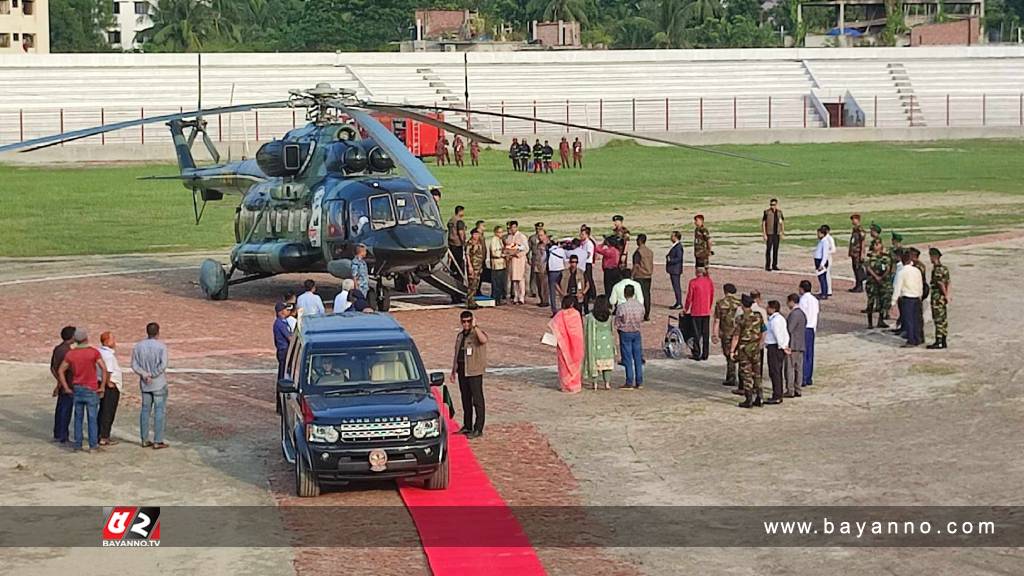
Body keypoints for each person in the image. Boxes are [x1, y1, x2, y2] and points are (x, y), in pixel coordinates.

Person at [57, 329, 108, 452]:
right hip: (91, 388)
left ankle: (78, 444)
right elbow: (104, 369)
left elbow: (60, 370)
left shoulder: (71, 354)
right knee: (92, 418)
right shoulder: (93, 353)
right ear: (86, 338)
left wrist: (66, 387)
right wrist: (102, 386)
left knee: (78, 417)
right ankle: (92, 445)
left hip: (77, 388)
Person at [451, 311, 488, 439]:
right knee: (465, 399)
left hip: (474, 371)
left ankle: (478, 428)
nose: (466, 324)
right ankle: (467, 425)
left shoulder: (476, 334)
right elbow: (457, 354)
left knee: (477, 400)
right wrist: (453, 370)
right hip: (462, 370)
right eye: (464, 321)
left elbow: (483, 340)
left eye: (468, 321)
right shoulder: (460, 336)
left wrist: (476, 326)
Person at [132, 322, 169, 449]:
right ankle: (158, 440)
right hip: (158, 382)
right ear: (158, 332)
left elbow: (134, 365)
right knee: (159, 411)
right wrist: (152, 374)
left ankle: (144, 439)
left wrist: (144, 374)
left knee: (145, 411)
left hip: (145, 384)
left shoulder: (138, 346)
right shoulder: (161, 347)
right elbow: (163, 365)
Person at [730, 294, 765, 409]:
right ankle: (760, 397)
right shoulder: (758, 316)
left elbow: (736, 336)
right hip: (755, 348)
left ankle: (749, 399)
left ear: (742, 305)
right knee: (757, 373)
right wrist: (760, 343)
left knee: (746, 374)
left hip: (744, 349)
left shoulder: (740, 318)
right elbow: (763, 330)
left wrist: (732, 351)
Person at [550, 295, 585, 393]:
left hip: (563, 344)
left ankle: (565, 385)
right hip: (577, 344)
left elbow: (555, 328)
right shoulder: (576, 314)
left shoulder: (559, 314)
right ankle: (575, 385)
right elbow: (579, 330)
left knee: (564, 364)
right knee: (575, 364)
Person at [891, 250, 925, 347]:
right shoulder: (917, 270)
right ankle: (918, 338)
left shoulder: (902, 272)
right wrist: (920, 295)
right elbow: (920, 284)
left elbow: (897, 287)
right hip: (916, 297)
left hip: (907, 298)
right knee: (916, 319)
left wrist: (893, 301)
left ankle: (911, 340)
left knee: (909, 320)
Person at [583, 295, 617, 390]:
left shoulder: (591, 317)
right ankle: (607, 383)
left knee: (595, 362)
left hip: (595, 341)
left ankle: (595, 383)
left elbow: (587, 329)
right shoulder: (609, 317)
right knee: (607, 364)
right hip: (607, 342)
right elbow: (611, 329)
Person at [615, 285, 645, 389]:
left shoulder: (622, 307)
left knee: (627, 357)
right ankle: (639, 381)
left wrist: (619, 328)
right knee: (638, 357)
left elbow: (617, 321)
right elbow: (642, 317)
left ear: (624, 294)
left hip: (625, 332)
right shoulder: (640, 306)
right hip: (636, 332)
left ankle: (629, 381)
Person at [712, 284, 741, 389]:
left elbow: (717, 320)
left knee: (729, 355)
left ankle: (731, 377)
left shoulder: (720, 303)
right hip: (739, 332)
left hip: (726, 333)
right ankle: (741, 378)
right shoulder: (740, 303)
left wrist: (714, 334)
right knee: (740, 354)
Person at [50, 325, 76, 444]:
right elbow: (69, 369)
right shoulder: (68, 352)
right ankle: (63, 436)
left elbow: (53, 368)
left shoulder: (58, 349)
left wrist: (59, 382)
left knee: (60, 409)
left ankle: (58, 433)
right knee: (66, 410)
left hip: (62, 383)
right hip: (68, 384)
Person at [97, 331, 123, 446]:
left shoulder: (100, 352)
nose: (115, 341)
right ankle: (104, 436)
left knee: (103, 410)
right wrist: (108, 383)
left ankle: (100, 434)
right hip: (109, 386)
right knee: (108, 411)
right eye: (112, 339)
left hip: (101, 383)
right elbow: (107, 371)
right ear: (107, 341)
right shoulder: (108, 355)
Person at [684, 267, 715, 361]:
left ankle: (697, 353)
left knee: (696, 333)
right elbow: (712, 294)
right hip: (706, 310)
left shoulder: (693, 282)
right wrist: (709, 306)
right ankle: (705, 354)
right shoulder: (709, 282)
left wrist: (686, 308)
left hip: (696, 311)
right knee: (705, 333)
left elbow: (690, 297)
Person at [763, 300, 790, 405]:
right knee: (776, 371)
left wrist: (782, 346)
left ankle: (777, 395)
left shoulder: (775, 321)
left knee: (775, 372)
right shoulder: (779, 319)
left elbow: (778, 334)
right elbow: (785, 333)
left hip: (775, 347)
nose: (766, 309)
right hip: (777, 346)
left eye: (768, 307)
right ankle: (777, 393)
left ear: (773, 309)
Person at [865, 240, 893, 329]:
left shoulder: (885, 257)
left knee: (882, 301)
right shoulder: (869, 257)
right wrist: (876, 276)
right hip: (872, 282)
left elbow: (888, 268)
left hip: (882, 282)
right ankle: (870, 322)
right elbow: (868, 267)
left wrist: (881, 277)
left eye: (878, 244)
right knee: (871, 301)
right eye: (875, 244)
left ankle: (880, 320)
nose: (877, 246)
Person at [927, 247, 951, 349]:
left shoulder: (937, 270)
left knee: (938, 319)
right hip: (943, 297)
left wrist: (945, 294)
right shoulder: (944, 268)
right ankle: (944, 340)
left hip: (937, 297)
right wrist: (948, 295)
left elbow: (940, 283)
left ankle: (939, 341)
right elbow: (948, 282)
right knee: (943, 318)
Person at [784, 294, 806, 398]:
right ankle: (798, 389)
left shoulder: (794, 314)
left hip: (793, 345)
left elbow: (789, 329)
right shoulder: (802, 313)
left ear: (792, 301)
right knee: (798, 368)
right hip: (801, 344)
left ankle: (790, 389)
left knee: (790, 368)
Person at [798, 280, 819, 387]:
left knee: (803, 354)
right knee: (810, 354)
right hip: (812, 328)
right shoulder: (815, 300)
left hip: (805, 328)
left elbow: (802, 315)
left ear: (802, 288)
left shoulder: (803, 300)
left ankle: (803, 378)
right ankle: (809, 377)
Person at [505, 220, 529, 305]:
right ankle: (515, 296)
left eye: (514, 227)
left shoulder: (522, 236)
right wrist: (509, 254)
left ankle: (521, 297)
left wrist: (517, 254)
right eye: (511, 227)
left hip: (520, 260)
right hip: (512, 260)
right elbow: (507, 248)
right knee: (514, 279)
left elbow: (526, 248)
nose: (512, 229)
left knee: (521, 279)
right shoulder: (509, 237)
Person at [632, 234, 654, 321]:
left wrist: (631, 275)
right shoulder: (649, 251)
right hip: (648, 275)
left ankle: (640, 313)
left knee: (639, 296)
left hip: (640, 275)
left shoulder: (638, 252)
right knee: (647, 294)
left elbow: (636, 265)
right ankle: (647, 313)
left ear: (640, 240)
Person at [465, 227, 486, 309]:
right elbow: (467, 255)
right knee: (472, 285)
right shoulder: (470, 243)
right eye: (475, 234)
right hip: (472, 266)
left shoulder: (479, 243)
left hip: (478, 266)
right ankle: (470, 302)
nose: (476, 236)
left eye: (477, 234)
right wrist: (470, 266)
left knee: (476, 285)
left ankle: (473, 301)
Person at [546, 239, 568, 316]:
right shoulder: (561, 250)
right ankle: (563, 307)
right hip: (561, 270)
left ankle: (554, 310)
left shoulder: (549, 251)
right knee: (561, 290)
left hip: (552, 271)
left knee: (552, 292)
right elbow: (565, 260)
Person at [762, 198, 784, 271]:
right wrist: (764, 233)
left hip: (776, 233)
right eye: (771, 205)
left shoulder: (779, 212)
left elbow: (782, 222)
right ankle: (767, 265)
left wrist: (782, 232)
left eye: (774, 205)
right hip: (769, 233)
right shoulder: (767, 212)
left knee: (775, 250)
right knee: (768, 249)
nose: (772, 206)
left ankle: (774, 265)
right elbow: (763, 223)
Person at [530, 225, 550, 307]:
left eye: (541, 235)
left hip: (544, 267)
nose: (540, 237)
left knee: (544, 285)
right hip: (537, 266)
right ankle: (541, 299)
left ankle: (545, 300)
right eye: (539, 235)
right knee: (538, 284)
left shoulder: (548, 245)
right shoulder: (539, 244)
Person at [488, 225, 508, 305]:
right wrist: (502, 254)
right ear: (495, 232)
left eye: (502, 232)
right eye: (499, 232)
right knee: (496, 283)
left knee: (500, 283)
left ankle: (498, 298)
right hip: (496, 264)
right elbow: (494, 252)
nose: (501, 234)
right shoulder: (494, 240)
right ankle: (495, 299)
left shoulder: (500, 240)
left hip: (501, 264)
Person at [447, 205, 468, 282]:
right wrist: (463, 242)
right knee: (459, 263)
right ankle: (459, 280)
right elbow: (461, 232)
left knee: (453, 263)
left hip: (451, 243)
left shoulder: (451, 220)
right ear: (460, 211)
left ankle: (452, 278)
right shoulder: (459, 221)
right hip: (457, 244)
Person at [579, 226, 597, 309]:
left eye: (583, 234)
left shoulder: (589, 243)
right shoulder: (583, 243)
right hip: (583, 263)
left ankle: (592, 295)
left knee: (588, 279)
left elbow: (589, 254)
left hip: (587, 263)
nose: (581, 235)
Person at [813, 226, 833, 299]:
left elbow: (825, 254)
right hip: (818, 260)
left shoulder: (825, 242)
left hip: (821, 261)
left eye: (819, 233)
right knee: (821, 278)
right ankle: (823, 292)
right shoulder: (821, 241)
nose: (817, 235)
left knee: (822, 278)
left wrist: (822, 264)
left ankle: (824, 293)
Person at [274, 302, 292, 382]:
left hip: (284, 349)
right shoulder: (280, 323)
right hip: (283, 350)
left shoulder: (283, 322)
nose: (287, 311)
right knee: (282, 372)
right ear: (281, 311)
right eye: (285, 309)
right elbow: (289, 337)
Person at [848, 213, 866, 293]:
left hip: (858, 253)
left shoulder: (860, 229)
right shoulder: (855, 229)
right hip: (854, 253)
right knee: (855, 269)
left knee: (858, 269)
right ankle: (857, 285)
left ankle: (860, 286)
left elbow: (863, 242)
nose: (852, 221)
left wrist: (862, 253)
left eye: (853, 219)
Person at [666, 231, 684, 310]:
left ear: (676, 237)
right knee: (675, 286)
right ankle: (678, 302)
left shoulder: (678, 247)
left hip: (675, 269)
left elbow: (679, 258)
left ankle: (679, 303)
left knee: (677, 286)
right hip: (673, 269)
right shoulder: (675, 246)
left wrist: (670, 260)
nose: (671, 237)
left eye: (672, 236)